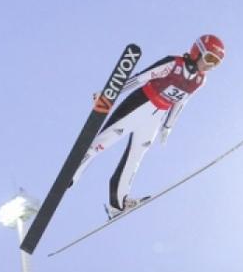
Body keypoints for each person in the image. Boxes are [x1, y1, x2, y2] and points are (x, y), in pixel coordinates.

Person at [73, 34, 224, 218]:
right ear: (197, 51)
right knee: (105, 141)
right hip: (141, 103)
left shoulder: (200, 81)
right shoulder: (174, 63)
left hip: (157, 116)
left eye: (215, 63)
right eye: (209, 58)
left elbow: (181, 102)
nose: (210, 65)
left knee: (136, 156)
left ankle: (117, 203)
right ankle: (72, 174)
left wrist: (168, 126)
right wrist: (110, 94)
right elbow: (140, 78)